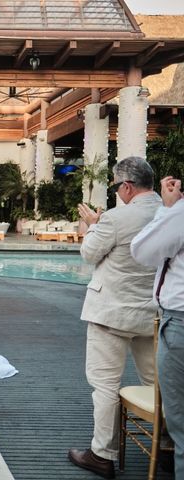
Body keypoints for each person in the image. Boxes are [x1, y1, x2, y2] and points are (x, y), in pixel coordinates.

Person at [68, 156, 162, 479]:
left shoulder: (116, 219)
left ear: (127, 186)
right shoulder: (168, 214)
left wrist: (94, 226)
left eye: (117, 187)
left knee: (105, 385)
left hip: (111, 313)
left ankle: (101, 454)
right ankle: (164, 443)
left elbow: (89, 253)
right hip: (151, 314)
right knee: (157, 381)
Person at [131, 175, 184, 479]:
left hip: (179, 322)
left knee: (181, 425)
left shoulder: (179, 213)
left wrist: (168, 209)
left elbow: (142, 250)